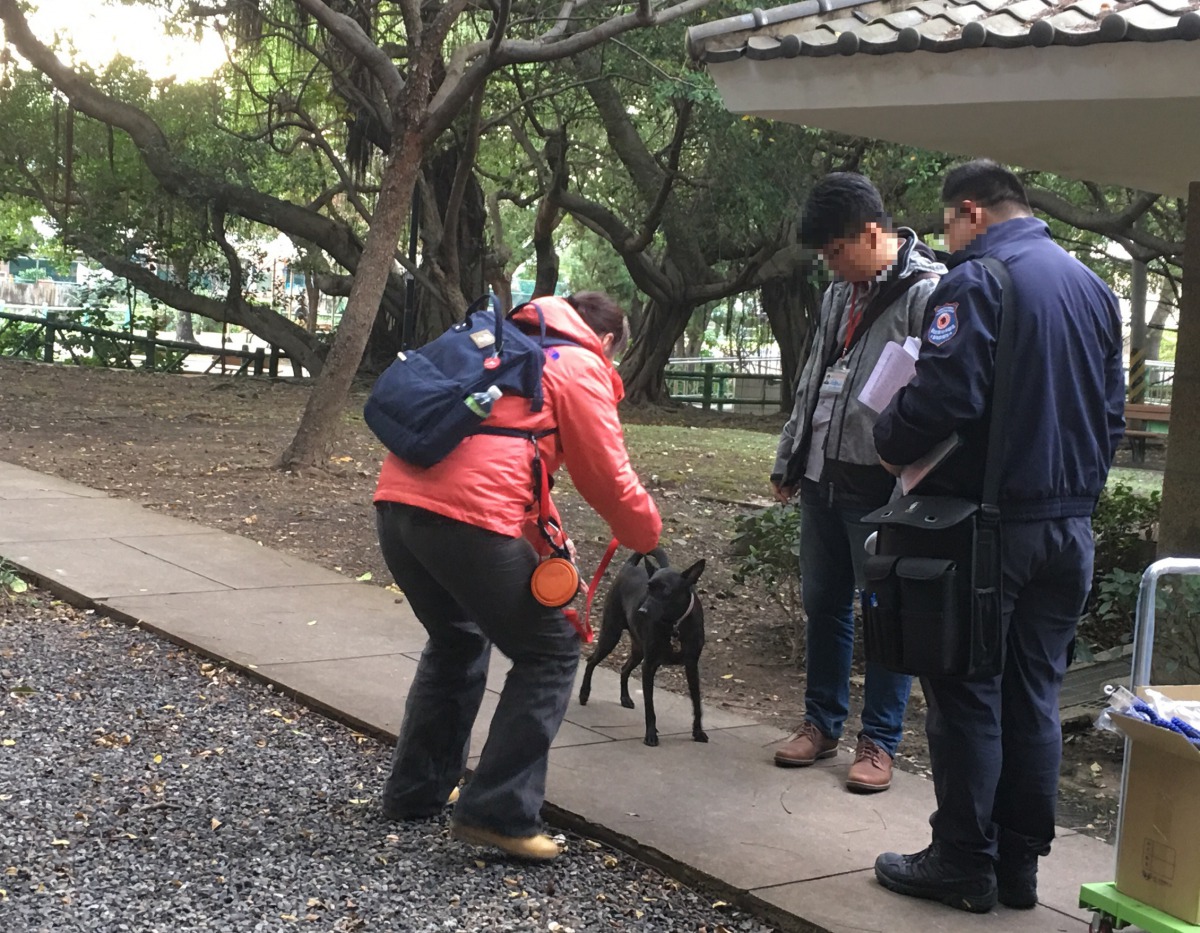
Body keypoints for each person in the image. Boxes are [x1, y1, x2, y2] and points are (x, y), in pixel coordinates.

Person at [872, 161, 1124, 912]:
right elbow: (1110, 416)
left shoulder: (980, 281)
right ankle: (1018, 867)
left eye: (948, 225)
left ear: (972, 212)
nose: (946, 241)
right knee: (1035, 694)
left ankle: (960, 859)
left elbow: (947, 393)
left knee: (967, 692)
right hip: (1068, 527)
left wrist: (891, 433)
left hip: (990, 528)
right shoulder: (1092, 288)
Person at [373, 291, 661, 861]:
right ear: (607, 341)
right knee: (551, 651)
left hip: (397, 508)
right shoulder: (578, 363)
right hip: (466, 519)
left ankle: (417, 791)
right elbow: (607, 474)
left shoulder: (507, 342)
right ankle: (498, 811)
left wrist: (546, 541)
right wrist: (646, 533)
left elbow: (512, 457)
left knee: (457, 638)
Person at [771, 173, 944, 792]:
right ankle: (821, 724)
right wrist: (791, 455)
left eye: (835, 251)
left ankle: (880, 741)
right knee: (824, 603)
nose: (830, 263)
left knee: (884, 614)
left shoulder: (930, 294)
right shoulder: (837, 295)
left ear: (873, 232)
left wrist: (913, 477)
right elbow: (813, 376)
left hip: (881, 485)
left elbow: (940, 397)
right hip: (823, 476)